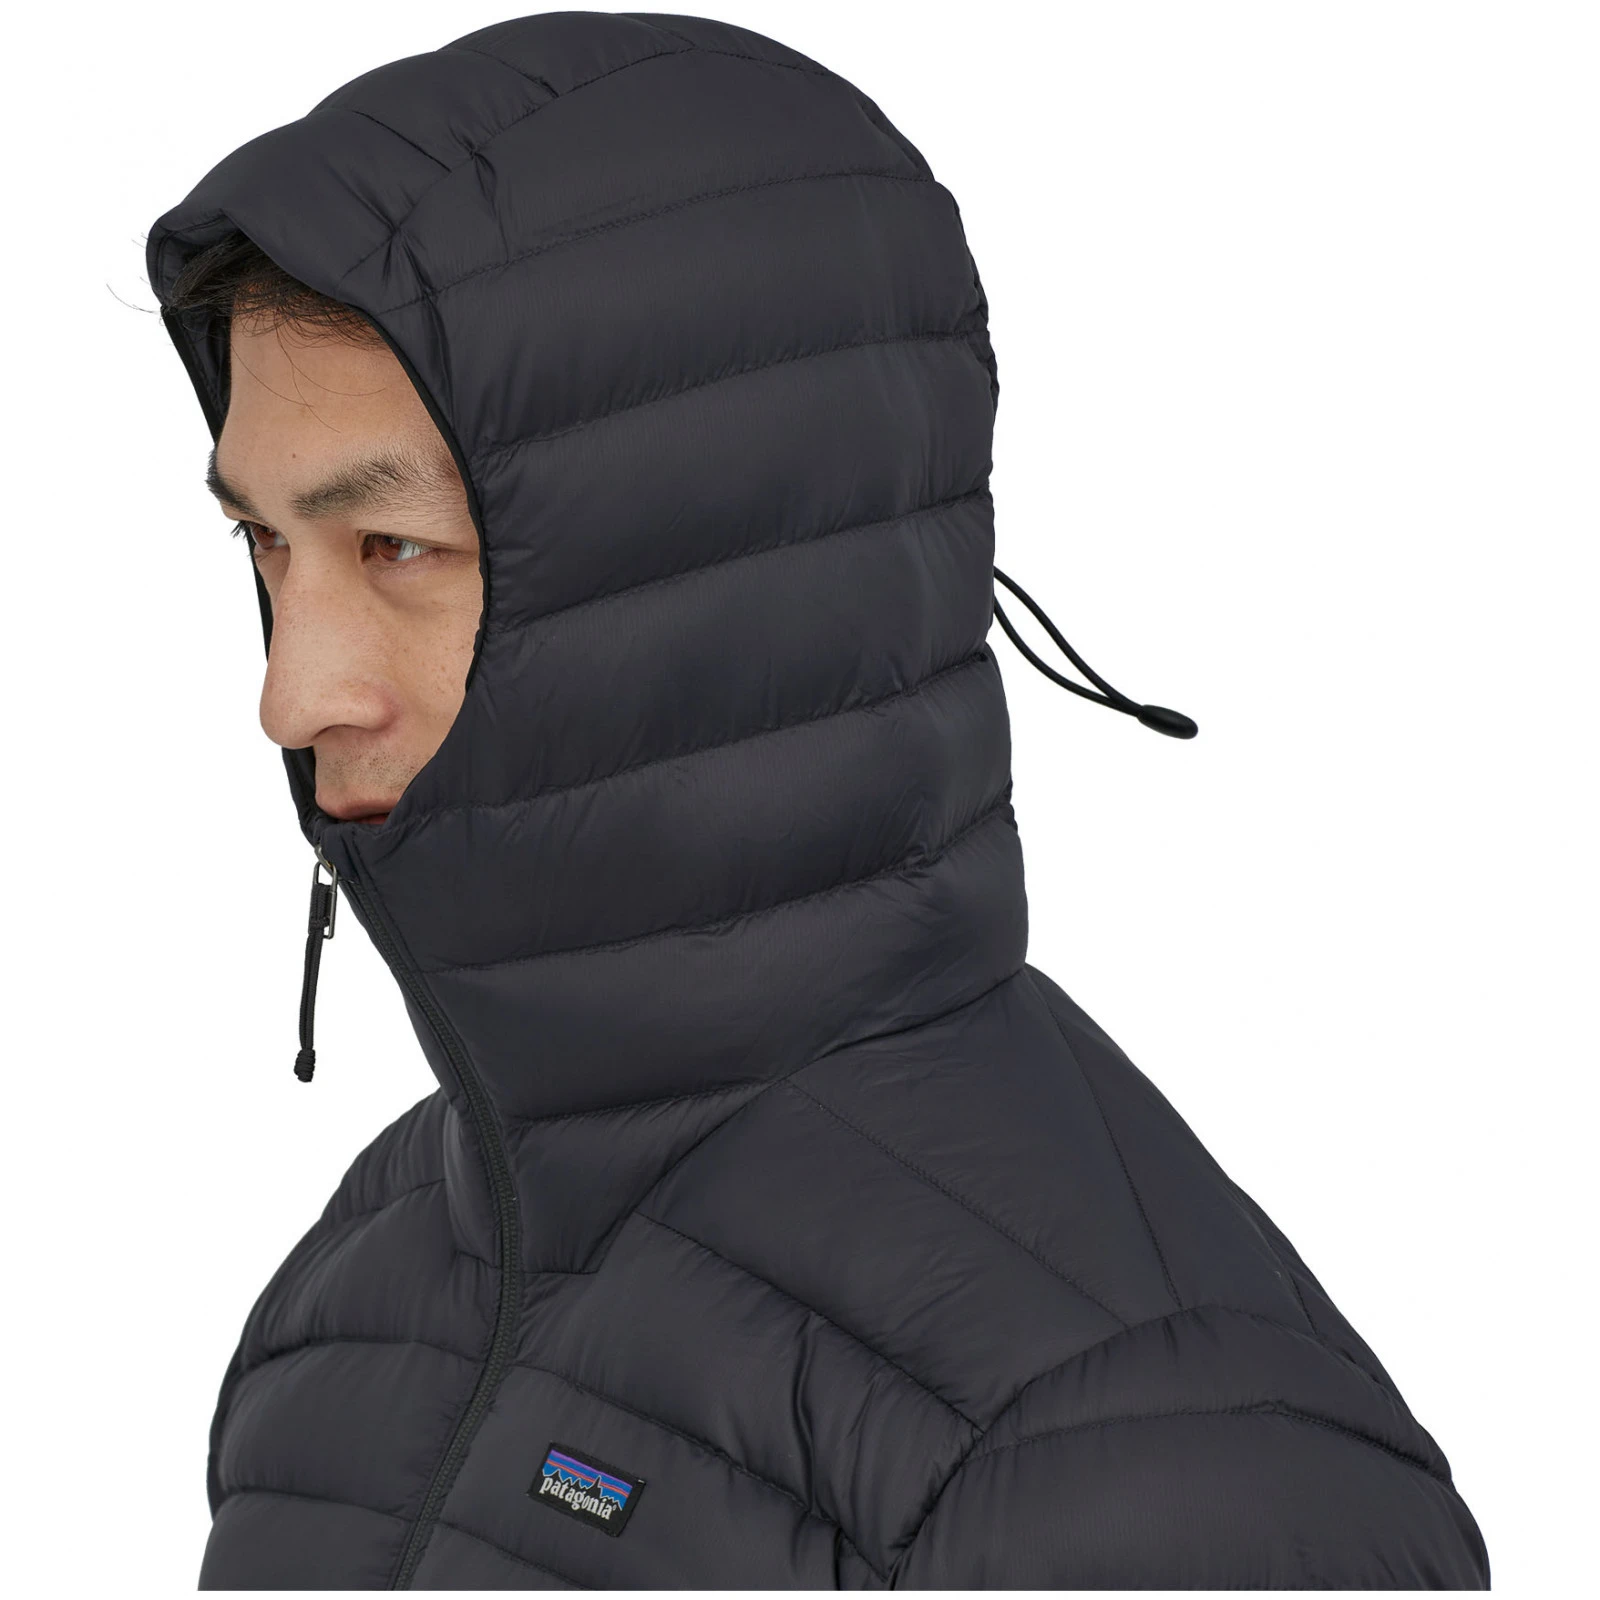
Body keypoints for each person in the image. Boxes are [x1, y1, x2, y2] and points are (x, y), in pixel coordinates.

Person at [146, 11, 1488, 1589]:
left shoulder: (1150, 1458)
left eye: (396, 549)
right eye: (266, 544)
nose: (291, 694)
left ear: (723, 581)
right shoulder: (360, 1294)